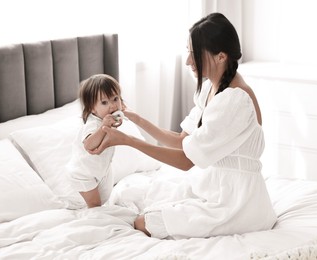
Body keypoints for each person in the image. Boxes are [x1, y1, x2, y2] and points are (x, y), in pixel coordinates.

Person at [93, 12, 277, 239]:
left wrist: (129, 141)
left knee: (144, 222)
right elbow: (182, 142)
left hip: (238, 204)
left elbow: (185, 161)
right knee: (132, 196)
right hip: (216, 188)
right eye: (189, 52)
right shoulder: (212, 88)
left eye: (195, 54)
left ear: (221, 57)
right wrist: (136, 118)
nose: (189, 61)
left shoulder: (234, 100)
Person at [67, 74, 124, 208]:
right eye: (104, 102)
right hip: (83, 173)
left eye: (115, 99)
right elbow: (89, 145)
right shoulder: (93, 124)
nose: (112, 106)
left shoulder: (109, 116)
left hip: (100, 170)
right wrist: (103, 128)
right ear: (92, 108)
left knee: (105, 199)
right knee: (95, 205)